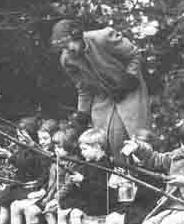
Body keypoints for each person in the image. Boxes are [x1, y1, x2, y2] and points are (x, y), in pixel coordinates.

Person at [50, 19, 150, 158]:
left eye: (69, 44)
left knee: (137, 137)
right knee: (104, 141)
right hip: (102, 97)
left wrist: (129, 79)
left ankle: (144, 173)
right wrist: (82, 116)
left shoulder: (102, 38)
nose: (69, 50)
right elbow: (83, 89)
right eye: (64, 48)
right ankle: (114, 176)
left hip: (129, 88)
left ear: (77, 35)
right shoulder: (67, 60)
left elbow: (135, 55)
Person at [83, 129, 161, 224]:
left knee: (119, 219)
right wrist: (118, 183)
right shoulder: (128, 162)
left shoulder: (153, 167)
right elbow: (117, 188)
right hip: (134, 205)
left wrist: (132, 185)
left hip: (148, 206)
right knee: (113, 217)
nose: (135, 156)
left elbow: (150, 194)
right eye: (133, 152)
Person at [54, 128, 115, 224]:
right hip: (89, 199)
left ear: (97, 147)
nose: (82, 153)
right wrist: (78, 182)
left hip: (100, 203)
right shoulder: (89, 164)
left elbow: (101, 190)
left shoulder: (105, 165)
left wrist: (82, 181)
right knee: (63, 208)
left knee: (75, 212)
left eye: (85, 149)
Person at [21, 128, 78, 224]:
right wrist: (44, 193)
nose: (56, 150)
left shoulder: (72, 163)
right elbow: (50, 182)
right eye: (56, 146)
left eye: (60, 147)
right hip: (50, 195)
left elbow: (68, 185)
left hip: (65, 197)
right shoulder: (56, 161)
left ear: (69, 147)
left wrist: (56, 199)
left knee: (49, 212)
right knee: (31, 210)